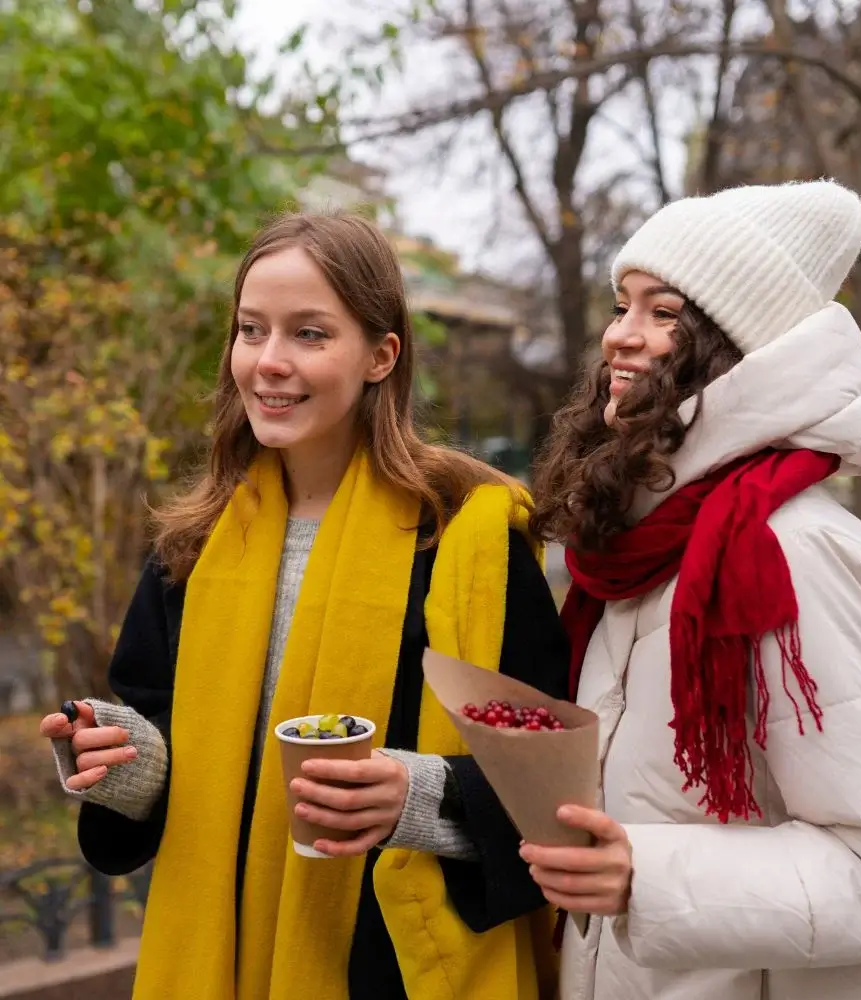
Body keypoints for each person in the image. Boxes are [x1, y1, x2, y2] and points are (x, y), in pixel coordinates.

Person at [39, 212, 568, 1000]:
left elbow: (553, 778)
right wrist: (121, 760)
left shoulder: (469, 539)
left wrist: (416, 796)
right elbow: (167, 746)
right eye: (251, 330)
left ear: (381, 355)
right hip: (220, 964)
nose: (269, 362)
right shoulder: (192, 546)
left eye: (310, 334)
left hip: (395, 968)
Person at [521, 181, 861, 1000]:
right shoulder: (651, 543)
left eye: (662, 313)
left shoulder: (790, 552)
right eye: (622, 305)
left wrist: (644, 877)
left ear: (735, 345)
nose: (619, 337)